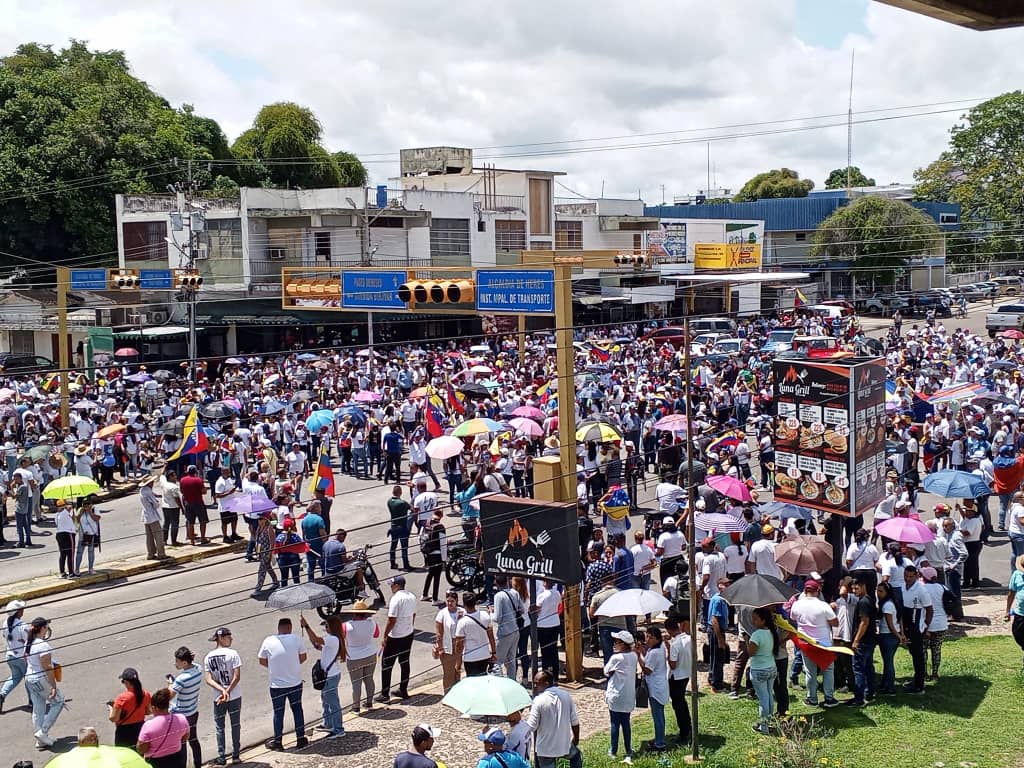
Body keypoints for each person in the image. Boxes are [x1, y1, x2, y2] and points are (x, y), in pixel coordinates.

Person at [258, 617, 308, 751]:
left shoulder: (268, 640)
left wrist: (275, 666)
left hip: (277, 685)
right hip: (295, 683)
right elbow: (303, 657)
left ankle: (278, 742)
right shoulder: (296, 639)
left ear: (278, 628)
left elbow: (262, 660)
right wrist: (292, 664)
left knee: (278, 712)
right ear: (290, 627)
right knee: (297, 710)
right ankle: (300, 739)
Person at [788, 579, 840, 707]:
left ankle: (812, 699)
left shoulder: (797, 605)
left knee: (810, 672)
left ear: (804, 590)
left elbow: (793, 617)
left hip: (806, 643)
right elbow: (835, 623)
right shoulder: (823, 605)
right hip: (824, 643)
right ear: (818, 591)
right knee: (828, 670)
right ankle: (829, 698)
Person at [299, 614, 345, 738]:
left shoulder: (332, 639)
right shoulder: (333, 639)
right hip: (330, 675)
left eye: (327, 626)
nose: (325, 628)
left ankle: (338, 729)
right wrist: (310, 635)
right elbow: (317, 644)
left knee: (333, 703)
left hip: (330, 676)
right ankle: (328, 723)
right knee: (325, 700)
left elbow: (316, 638)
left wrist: (306, 626)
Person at [203, 627, 242, 765]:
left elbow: (208, 679)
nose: (231, 639)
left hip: (218, 697)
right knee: (235, 725)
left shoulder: (208, 657)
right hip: (235, 696)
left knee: (220, 727)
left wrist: (222, 691)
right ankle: (236, 755)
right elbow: (236, 677)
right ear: (221, 638)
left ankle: (221, 757)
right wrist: (228, 691)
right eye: (229, 637)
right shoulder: (233, 654)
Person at [526, 669, 580, 768]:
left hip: (545, 749)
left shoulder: (538, 701)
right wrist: (576, 739)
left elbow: (532, 726)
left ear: (546, 683)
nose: (535, 686)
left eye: (537, 683)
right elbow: (575, 722)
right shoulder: (566, 695)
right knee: (576, 756)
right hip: (563, 745)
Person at [24, 616, 64, 748]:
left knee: (38, 709)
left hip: (29, 678)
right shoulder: (42, 645)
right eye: (46, 627)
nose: (48, 629)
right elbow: (47, 667)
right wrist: (53, 686)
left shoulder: (29, 642)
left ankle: (40, 739)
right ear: (42, 628)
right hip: (40, 678)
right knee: (58, 701)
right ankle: (43, 732)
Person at [379, 575, 417, 704]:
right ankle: (403, 689)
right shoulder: (411, 596)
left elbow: (391, 620)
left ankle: (385, 694)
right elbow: (413, 615)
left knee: (387, 664)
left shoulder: (395, 599)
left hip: (395, 636)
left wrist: (385, 636)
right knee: (404, 662)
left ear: (396, 585)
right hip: (408, 634)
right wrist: (409, 626)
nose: (391, 587)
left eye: (392, 585)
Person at [604, 629, 637, 764]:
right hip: (628, 696)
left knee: (614, 724)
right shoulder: (634, 656)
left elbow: (606, 671)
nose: (614, 644)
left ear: (623, 644)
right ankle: (628, 749)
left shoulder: (615, 658)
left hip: (616, 696)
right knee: (626, 723)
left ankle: (613, 750)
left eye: (617, 642)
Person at [168, 647, 204, 768]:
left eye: (177, 661)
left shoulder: (181, 679)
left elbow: (170, 695)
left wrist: (170, 684)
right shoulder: (198, 669)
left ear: (184, 662)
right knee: (193, 740)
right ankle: (198, 764)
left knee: (181, 744)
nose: (175, 663)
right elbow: (195, 664)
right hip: (193, 712)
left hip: (181, 716)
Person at [342, 599, 380, 712]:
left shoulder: (346, 625)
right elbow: (376, 635)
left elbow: (341, 638)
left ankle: (356, 707)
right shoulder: (372, 623)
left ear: (354, 613)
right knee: (369, 679)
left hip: (354, 657)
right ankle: (369, 703)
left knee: (356, 683)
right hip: (370, 654)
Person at [900, 564, 933, 694]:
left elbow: (929, 609)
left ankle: (919, 685)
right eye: (906, 576)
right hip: (906, 624)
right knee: (913, 654)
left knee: (918, 656)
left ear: (916, 576)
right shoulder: (903, 587)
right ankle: (916, 680)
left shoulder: (921, 590)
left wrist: (926, 627)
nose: (908, 579)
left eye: (911, 576)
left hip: (917, 627)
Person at [137, 688, 190, 768]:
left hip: (156, 763)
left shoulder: (148, 726)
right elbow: (185, 738)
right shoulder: (181, 719)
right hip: (176, 759)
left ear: (155, 708)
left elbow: (141, 749)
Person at [747, 607, 779, 734]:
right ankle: (768, 721)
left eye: (755, 619)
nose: (753, 621)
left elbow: (751, 653)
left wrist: (747, 641)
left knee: (763, 698)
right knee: (769, 695)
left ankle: (764, 725)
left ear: (763, 620)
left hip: (759, 670)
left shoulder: (756, 635)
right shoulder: (772, 632)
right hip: (771, 667)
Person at [847, 577, 877, 706]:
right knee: (868, 667)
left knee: (858, 669)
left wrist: (856, 640)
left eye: (856, 588)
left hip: (863, 641)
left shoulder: (863, 602)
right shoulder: (869, 599)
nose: (854, 591)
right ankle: (869, 693)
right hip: (870, 639)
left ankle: (859, 698)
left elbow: (864, 622)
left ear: (863, 586)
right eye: (852, 589)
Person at [639, 626, 669, 751]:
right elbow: (648, 658)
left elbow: (647, 670)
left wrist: (638, 656)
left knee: (658, 717)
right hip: (659, 685)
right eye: (647, 637)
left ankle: (660, 743)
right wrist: (642, 651)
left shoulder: (655, 652)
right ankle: (659, 738)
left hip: (655, 688)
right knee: (659, 715)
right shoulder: (658, 648)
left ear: (657, 639)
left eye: (651, 638)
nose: (648, 640)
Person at [663, 616, 692, 745]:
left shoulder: (675, 644)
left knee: (678, 705)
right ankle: (688, 727)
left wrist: (668, 649)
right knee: (682, 703)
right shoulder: (688, 638)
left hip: (676, 677)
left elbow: (673, 665)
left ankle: (684, 732)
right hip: (686, 673)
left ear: (668, 630)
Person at [455, 591, 495, 677]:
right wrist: (494, 653)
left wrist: (458, 663)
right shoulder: (485, 615)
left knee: (473, 682)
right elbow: (491, 636)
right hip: (485, 655)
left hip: (470, 658)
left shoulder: (462, 622)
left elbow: (459, 645)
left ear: (464, 605)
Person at [108, 667, 151, 747]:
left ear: (126, 682)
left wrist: (111, 708)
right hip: (140, 728)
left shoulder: (122, 698)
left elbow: (113, 718)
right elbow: (148, 712)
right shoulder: (146, 694)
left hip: (124, 731)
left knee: (123, 753)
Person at [919, 566, 949, 680]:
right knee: (936, 649)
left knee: (923, 650)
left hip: (926, 624)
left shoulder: (921, 588)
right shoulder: (943, 587)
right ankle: (935, 673)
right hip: (941, 624)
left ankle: (924, 673)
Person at [493, 574, 525, 678]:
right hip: (515, 630)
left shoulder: (498, 596)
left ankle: (498, 683)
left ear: (496, 583)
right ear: (507, 581)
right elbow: (522, 610)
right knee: (511, 660)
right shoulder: (515, 592)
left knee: (497, 661)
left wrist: (490, 613)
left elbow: (497, 618)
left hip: (504, 632)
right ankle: (512, 681)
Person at [1, 599, 28, 713]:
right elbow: (28, 640)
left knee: (15, 677)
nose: (23, 610)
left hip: (10, 656)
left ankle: (2, 695)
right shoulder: (22, 625)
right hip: (21, 657)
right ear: (18, 612)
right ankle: (32, 701)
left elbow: (5, 636)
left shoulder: (5, 623)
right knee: (29, 678)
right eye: (21, 609)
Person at [435, 590, 464, 693]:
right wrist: (440, 648)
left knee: (457, 671)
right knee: (448, 673)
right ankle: (447, 694)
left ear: (456, 601)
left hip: (459, 645)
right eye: (448, 601)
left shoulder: (462, 612)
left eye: (452, 601)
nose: (449, 603)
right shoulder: (442, 614)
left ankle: (456, 693)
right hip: (447, 646)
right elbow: (439, 633)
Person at [875, 582, 901, 695]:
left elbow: (890, 625)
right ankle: (884, 683)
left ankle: (890, 687)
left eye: (881, 591)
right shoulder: (893, 603)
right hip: (893, 636)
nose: (878, 593)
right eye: (877, 591)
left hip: (888, 636)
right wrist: (900, 635)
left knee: (888, 662)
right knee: (887, 661)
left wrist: (899, 636)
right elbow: (900, 620)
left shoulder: (887, 606)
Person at [706, 576, 731, 692]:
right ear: (719, 586)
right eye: (726, 585)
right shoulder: (718, 600)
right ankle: (717, 685)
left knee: (715, 656)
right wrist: (720, 639)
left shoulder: (721, 598)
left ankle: (712, 678)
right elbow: (714, 620)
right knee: (718, 658)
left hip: (717, 630)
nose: (728, 587)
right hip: (716, 630)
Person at [535, 579, 562, 678]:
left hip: (543, 624)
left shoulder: (541, 596)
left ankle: (546, 672)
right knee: (553, 649)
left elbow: (537, 609)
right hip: (554, 622)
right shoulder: (557, 593)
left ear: (545, 583)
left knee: (545, 650)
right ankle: (555, 672)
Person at [420, 508, 448, 603]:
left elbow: (421, 537)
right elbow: (443, 544)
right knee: (437, 576)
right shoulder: (440, 527)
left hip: (428, 553)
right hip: (437, 554)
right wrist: (444, 559)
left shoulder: (427, 524)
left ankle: (424, 594)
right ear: (441, 516)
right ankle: (435, 599)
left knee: (430, 573)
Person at [251, 513, 280, 597]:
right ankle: (276, 582)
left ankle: (258, 588)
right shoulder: (259, 528)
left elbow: (272, 542)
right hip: (260, 552)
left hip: (267, 553)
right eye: (258, 519)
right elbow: (257, 540)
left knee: (261, 570)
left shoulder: (269, 528)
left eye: (261, 519)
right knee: (268, 568)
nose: (259, 520)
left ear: (265, 520)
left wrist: (270, 554)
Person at [140, 475, 168, 560]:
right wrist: (157, 502)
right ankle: (161, 554)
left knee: (149, 536)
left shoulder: (142, 490)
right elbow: (155, 505)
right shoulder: (148, 492)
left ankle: (150, 553)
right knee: (158, 535)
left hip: (146, 516)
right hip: (152, 516)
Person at [299, 500, 327, 581]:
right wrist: (326, 545)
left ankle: (310, 581)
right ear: (316, 508)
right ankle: (325, 580)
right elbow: (323, 535)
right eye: (320, 507)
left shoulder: (304, 519)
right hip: (319, 546)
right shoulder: (319, 520)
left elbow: (304, 535)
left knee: (311, 566)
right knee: (323, 565)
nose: (321, 509)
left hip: (309, 546)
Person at [387, 484, 413, 570]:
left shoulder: (389, 501)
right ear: (400, 492)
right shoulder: (402, 503)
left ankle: (392, 563)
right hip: (402, 527)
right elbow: (412, 509)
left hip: (393, 526)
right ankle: (406, 564)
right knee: (404, 547)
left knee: (393, 546)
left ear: (393, 492)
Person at [74, 496, 101, 575]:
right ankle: (77, 569)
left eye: (88, 504)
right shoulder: (80, 510)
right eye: (84, 504)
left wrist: (90, 512)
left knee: (91, 551)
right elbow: (77, 521)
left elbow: (97, 518)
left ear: (91, 504)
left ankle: (91, 568)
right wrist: (79, 513)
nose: (86, 506)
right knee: (79, 552)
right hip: (83, 534)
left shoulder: (94, 509)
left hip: (91, 534)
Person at [1006, 554, 1024, 666]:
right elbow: (1011, 594)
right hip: (1020, 614)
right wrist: (1007, 611)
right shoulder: (1017, 575)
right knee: (1018, 634)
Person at [54, 500, 76, 577]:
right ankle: (71, 573)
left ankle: (62, 572)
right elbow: (70, 508)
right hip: (67, 533)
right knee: (70, 554)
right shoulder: (65, 512)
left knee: (63, 554)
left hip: (59, 534)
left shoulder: (56, 515)